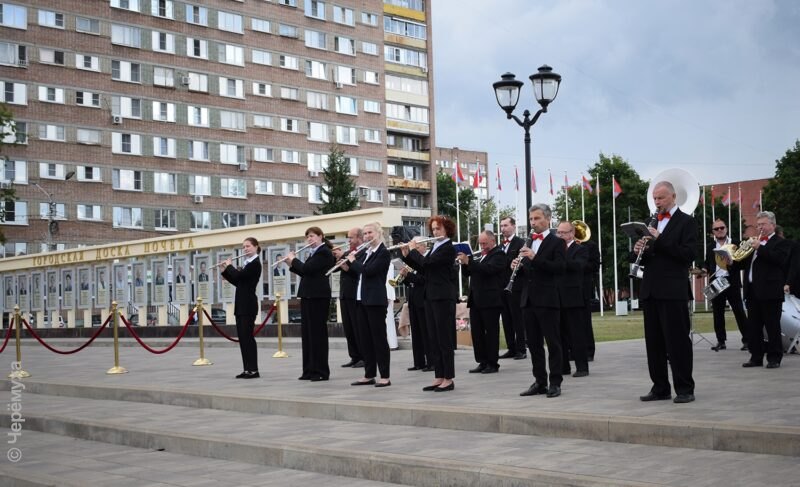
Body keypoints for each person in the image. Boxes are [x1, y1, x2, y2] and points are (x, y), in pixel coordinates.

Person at [634, 181, 697, 404]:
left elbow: (686, 254)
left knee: (678, 342)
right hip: (651, 289)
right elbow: (654, 256)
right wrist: (640, 249)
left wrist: (659, 239)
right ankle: (660, 387)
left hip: (673, 290)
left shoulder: (686, 222)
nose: (657, 202)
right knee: (654, 343)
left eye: (661, 198)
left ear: (673, 196)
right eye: (655, 198)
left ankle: (684, 388)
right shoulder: (652, 222)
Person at [401, 216, 458, 392]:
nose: (435, 232)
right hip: (431, 296)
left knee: (444, 339)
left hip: (442, 297)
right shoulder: (435, 247)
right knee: (433, 338)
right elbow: (424, 269)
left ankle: (448, 378)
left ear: (447, 230)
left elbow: (429, 263)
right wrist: (407, 256)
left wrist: (413, 252)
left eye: (438, 229)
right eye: (433, 229)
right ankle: (439, 376)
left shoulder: (448, 248)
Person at [516, 204, 566, 398]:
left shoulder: (556, 242)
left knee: (553, 343)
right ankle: (539, 381)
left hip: (548, 299)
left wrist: (535, 258)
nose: (533, 223)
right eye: (531, 219)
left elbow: (559, 268)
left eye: (537, 219)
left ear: (547, 219)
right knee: (534, 344)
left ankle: (555, 382)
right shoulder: (527, 243)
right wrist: (518, 267)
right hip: (528, 299)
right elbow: (527, 274)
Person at [736, 211, 792, 369]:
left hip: (770, 291)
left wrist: (760, 248)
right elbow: (743, 264)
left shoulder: (780, 242)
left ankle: (774, 358)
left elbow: (779, 260)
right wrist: (730, 260)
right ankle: (756, 357)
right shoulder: (753, 242)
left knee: (772, 326)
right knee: (753, 326)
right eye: (758, 224)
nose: (760, 227)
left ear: (772, 225)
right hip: (753, 290)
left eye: (763, 224)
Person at [288, 226, 335, 382]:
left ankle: (320, 371)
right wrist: (291, 264)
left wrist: (294, 260)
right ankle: (308, 370)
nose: (309, 239)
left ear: (321, 236)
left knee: (317, 334)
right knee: (307, 334)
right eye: (307, 236)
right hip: (308, 295)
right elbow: (306, 273)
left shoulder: (324, 252)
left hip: (318, 296)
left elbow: (308, 269)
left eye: (313, 236)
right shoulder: (313, 253)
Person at [348, 222, 392, 388]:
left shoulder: (383, 253)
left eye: (370, 233)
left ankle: (385, 376)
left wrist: (352, 261)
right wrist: (347, 262)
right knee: (365, 339)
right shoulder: (365, 252)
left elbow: (369, 271)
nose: (367, 236)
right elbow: (357, 272)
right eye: (365, 234)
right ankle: (369, 374)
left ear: (378, 233)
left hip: (375, 301)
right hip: (361, 300)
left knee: (378, 339)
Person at [457, 230, 505, 374]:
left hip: (491, 300)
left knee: (491, 333)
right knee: (477, 333)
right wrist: (465, 264)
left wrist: (470, 261)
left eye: (484, 243)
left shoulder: (498, 254)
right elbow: (469, 273)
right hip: (477, 300)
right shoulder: (482, 256)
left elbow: (488, 270)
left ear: (492, 241)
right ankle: (482, 361)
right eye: (480, 243)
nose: (482, 245)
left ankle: (492, 362)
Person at [702, 219, 749, 351]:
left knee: (739, 311)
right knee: (717, 313)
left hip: (731, 281)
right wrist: (704, 270)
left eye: (722, 228)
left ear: (726, 229)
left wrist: (732, 263)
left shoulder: (736, 243)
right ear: (713, 232)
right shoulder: (711, 246)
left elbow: (744, 263)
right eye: (716, 229)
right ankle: (720, 341)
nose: (720, 230)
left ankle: (747, 340)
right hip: (716, 282)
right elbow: (708, 262)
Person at [221, 237, 262, 379]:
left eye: (248, 246)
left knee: (248, 337)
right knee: (243, 338)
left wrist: (230, 266)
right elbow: (239, 282)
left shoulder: (255, 264)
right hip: (241, 305)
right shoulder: (247, 264)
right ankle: (247, 369)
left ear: (256, 247)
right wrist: (225, 271)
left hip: (248, 305)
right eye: (244, 247)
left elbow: (240, 276)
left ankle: (253, 370)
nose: (245, 249)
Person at [555, 221, 590, 377]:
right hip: (557, 296)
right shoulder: (555, 249)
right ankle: (564, 367)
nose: (560, 235)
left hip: (573, 296)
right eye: (558, 233)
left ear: (571, 233)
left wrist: (560, 260)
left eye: (563, 233)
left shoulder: (580, 249)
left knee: (576, 333)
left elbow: (578, 266)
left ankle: (582, 367)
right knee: (560, 333)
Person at [332, 227, 365, 368]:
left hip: (355, 294)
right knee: (349, 328)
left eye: (351, 238)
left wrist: (345, 263)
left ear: (359, 238)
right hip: (345, 294)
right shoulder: (347, 252)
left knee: (358, 327)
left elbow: (358, 271)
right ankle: (354, 356)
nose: (349, 240)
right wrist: (339, 258)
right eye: (348, 238)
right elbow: (339, 268)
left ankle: (363, 356)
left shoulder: (363, 251)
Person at [498, 217, 527, 360]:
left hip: (515, 287)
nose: (503, 228)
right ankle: (511, 348)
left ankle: (521, 348)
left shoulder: (520, 243)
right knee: (506, 319)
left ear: (514, 226)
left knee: (517, 318)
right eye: (501, 226)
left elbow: (523, 265)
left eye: (506, 225)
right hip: (502, 287)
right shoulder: (500, 245)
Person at [401, 241, 431, 371]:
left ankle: (431, 361)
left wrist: (410, 276)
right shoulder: (414, 262)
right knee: (416, 334)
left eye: (417, 247)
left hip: (422, 299)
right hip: (412, 299)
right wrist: (405, 276)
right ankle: (418, 362)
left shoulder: (426, 261)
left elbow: (423, 280)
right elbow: (410, 282)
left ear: (424, 247)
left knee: (426, 332)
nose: (415, 249)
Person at [581, 238, 600, 361]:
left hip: (583, 286)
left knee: (585, 320)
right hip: (566, 287)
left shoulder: (590, 245)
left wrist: (578, 262)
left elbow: (594, 266)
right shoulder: (563, 245)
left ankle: (589, 351)